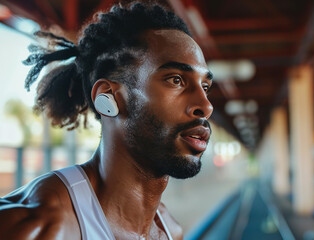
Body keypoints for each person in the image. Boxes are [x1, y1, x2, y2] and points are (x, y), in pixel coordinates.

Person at [0, 2, 213, 240]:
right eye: (176, 80)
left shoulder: (171, 232)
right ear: (108, 97)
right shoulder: (34, 227)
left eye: (205, 87)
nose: (206, 106)